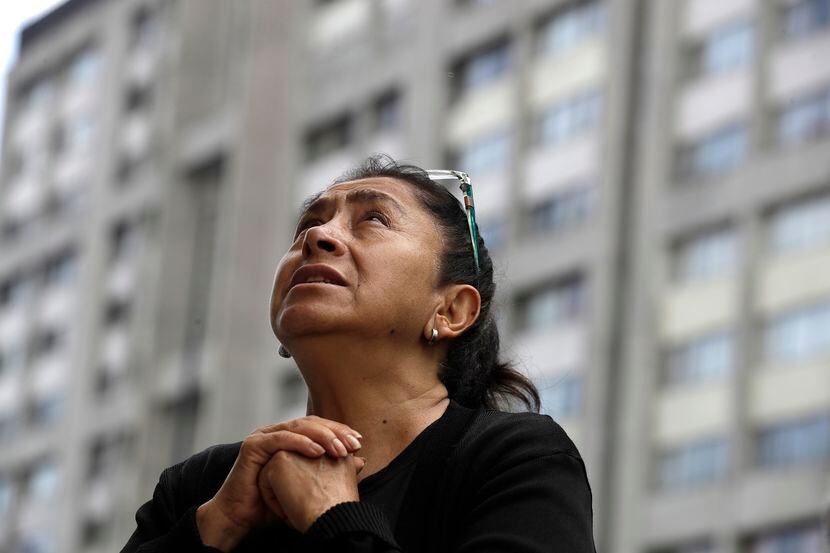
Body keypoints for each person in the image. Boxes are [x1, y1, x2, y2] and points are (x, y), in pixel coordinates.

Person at [121, 154, 596, 552]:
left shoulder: (514, 461)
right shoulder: (201, 487)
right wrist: (213, 528)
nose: (316, 237)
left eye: (374, 219)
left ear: (451, 309)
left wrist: (335, 518)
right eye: (308, 223)